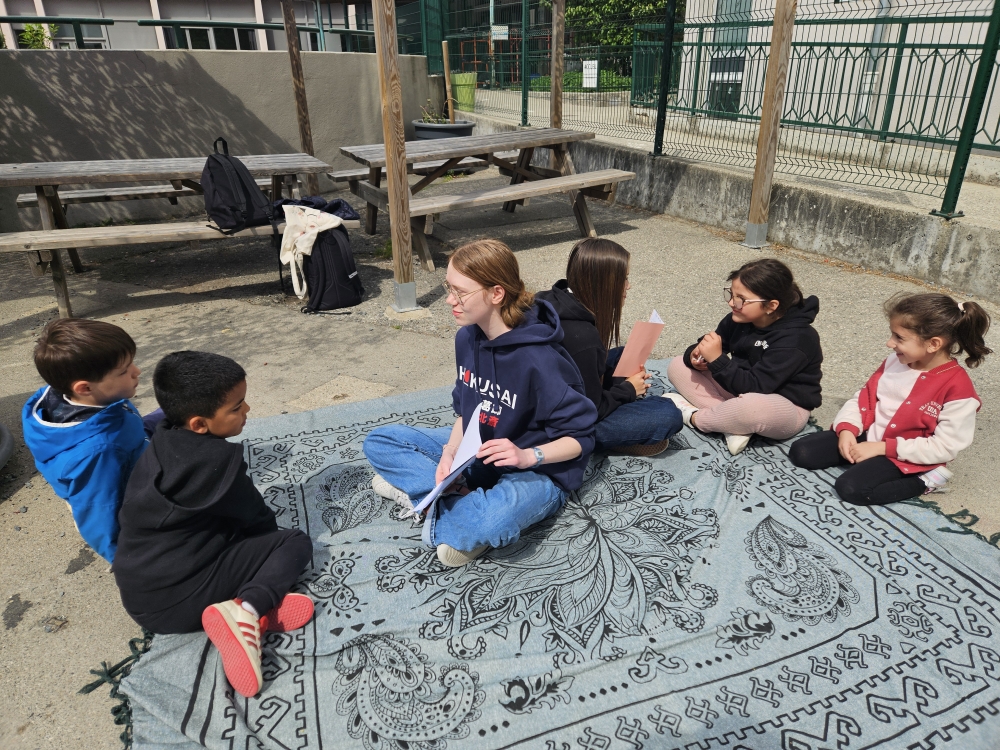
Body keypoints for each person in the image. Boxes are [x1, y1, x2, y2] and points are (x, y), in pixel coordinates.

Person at [363, 239, 598, 568]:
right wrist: (450, 453)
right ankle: (453, 506)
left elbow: (582, 439)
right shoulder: (466, 337)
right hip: (479, 449)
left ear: (496, 293)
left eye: (460, 292)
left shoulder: (540, 360)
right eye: (449, 287)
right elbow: (466, 412)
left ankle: (437, 502)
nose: (450, 299)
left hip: (537, 468)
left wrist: (527, 455)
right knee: (380, 441)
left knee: (494, 520)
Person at [113, 351, 314, 698]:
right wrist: (268, 561)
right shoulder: (217, 462)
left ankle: (253, 610)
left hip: (141, 596)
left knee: (226, 533)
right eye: (236, 408)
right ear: (199, 424)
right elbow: (260, 522)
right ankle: (247, 610)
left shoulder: (162, 437)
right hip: (179, 602)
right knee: (293, 543)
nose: (247, 410)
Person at [789, 292, 990, 505]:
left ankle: (925, 481)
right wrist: (847, 429)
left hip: (904, 454)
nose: (889, 343)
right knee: (802, 452)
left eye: (899, 338)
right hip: (870, 435)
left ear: (933, 344)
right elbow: (864, 398)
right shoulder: (895, 361)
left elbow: (945, 447)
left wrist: (882, 448)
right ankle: (867, 461)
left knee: (852, 489)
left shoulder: (958, 389)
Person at [22, 318, 163, 563]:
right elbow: (101, 513)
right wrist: (126, 562)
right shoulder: (99, 452)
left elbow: (122, 431)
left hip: (123, 449)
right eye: (124, 371)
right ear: (84, 388)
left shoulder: (66, 395)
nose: (137, 371)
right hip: (119, 487)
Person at [536, 238, 682, 455]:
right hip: (559, 427)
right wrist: (627, 390)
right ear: (605, 283)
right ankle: (592, 445)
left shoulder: (553, 299)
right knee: (667, 414)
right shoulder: (583, 338)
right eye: (624, 278)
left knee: (623, 355)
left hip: (556, 393)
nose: (628, 285)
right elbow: (590, 410)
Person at [664, 258, 823, 455]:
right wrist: (696, 356)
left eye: (741, 299)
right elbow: (710, 347)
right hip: (738, 387)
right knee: (678, 365)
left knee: (751, 408)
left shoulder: (797, 338)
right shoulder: (739, 318)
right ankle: (731, 424)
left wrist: (717, 360)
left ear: (771, 306)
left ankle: (694, 417)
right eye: (731, 294)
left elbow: (756, 387)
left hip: (781, 407)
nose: (732, 303)